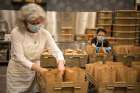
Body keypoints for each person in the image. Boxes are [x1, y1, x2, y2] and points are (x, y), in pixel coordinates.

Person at [7, 3, 65, 93]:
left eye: (38, 23)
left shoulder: (44, 33)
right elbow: (20, 58)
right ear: (24, 22)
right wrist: (40, 69)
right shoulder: (16, 33)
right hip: (17, 74)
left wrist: (60, 63)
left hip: (33, 74)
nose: (36, 25)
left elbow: (56, 51)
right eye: (33, 23)